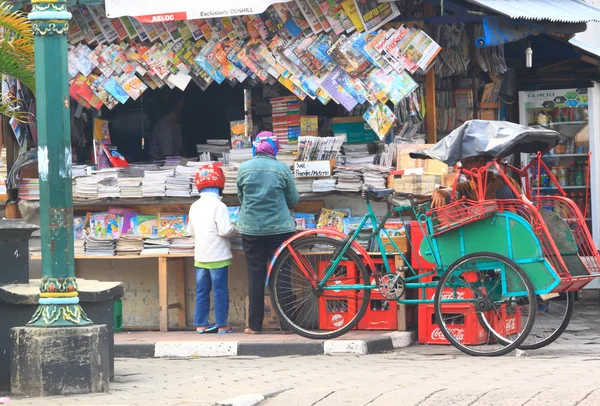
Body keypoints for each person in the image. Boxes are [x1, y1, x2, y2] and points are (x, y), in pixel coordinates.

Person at [236, 132, 299, 334]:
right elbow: (293, 200)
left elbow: (240, 197)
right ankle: (287, 325)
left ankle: (254, 326)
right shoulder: (281, 169)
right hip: (280, 229)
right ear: (275, 148)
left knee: (256, 275)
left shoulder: (243, 168)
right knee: (282, 274)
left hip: (251, 229)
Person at [188, 163, 237, 334]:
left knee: (202, 291)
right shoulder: (220, 206)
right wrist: (234, 229)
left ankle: (201, 324)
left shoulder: (194, 206)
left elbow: (190, 231)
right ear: (220, 183)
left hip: (201, 256)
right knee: (219, 290)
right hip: (218, 256)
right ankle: (222, 324)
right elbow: (225, 230)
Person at [431, 155, 522, 208]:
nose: (464, 168)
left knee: (504, 190)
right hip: (479, 234)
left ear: (481, 161)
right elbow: (451, 190)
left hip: (507, 230)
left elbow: (523, 203)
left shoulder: (504, 181)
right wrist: (440, 192)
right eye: (463, 163)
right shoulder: (464, 187)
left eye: (468, 162)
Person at [149, 95, 184, 161]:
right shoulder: (165, 126)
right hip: (161, 166)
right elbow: (168, 156)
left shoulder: (175, 123)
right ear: (179, 104)